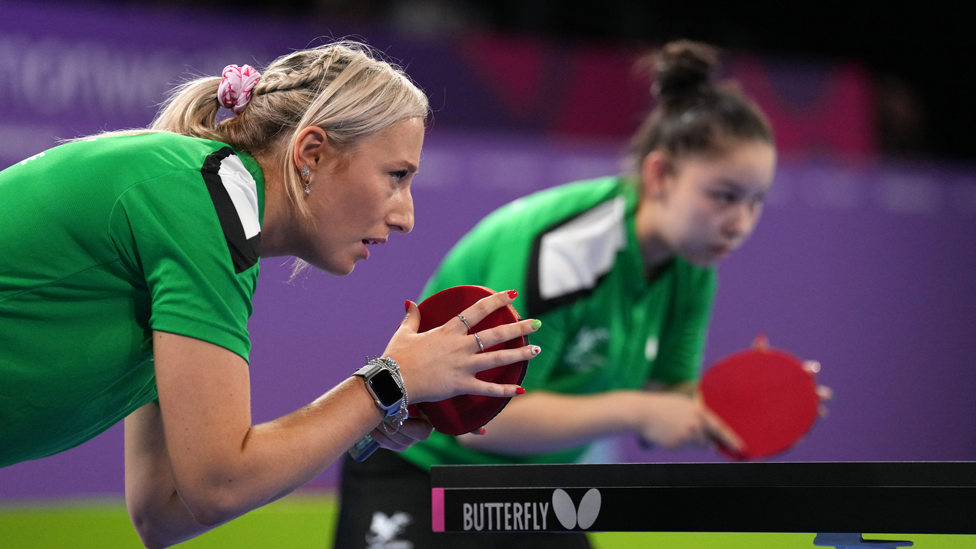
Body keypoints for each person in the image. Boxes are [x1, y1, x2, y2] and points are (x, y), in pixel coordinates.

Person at [0, 41, 541, 548]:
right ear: (312, 152)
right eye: (396, 175)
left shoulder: (203, 206)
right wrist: (386, 382)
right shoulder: (197, 205)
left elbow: (162, 512)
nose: (406, 216)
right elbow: (219, 486)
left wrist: (357, 417)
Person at [335, 40, 830, 548]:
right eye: (724, 196)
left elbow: (669, 397)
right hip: (424, 471)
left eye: (755, 202)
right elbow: (485, 420)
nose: (740, 224)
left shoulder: (693, 266)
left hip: (536, 488)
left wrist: (754, 399)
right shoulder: (564, 253)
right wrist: (636, 411)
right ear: (660, 175)